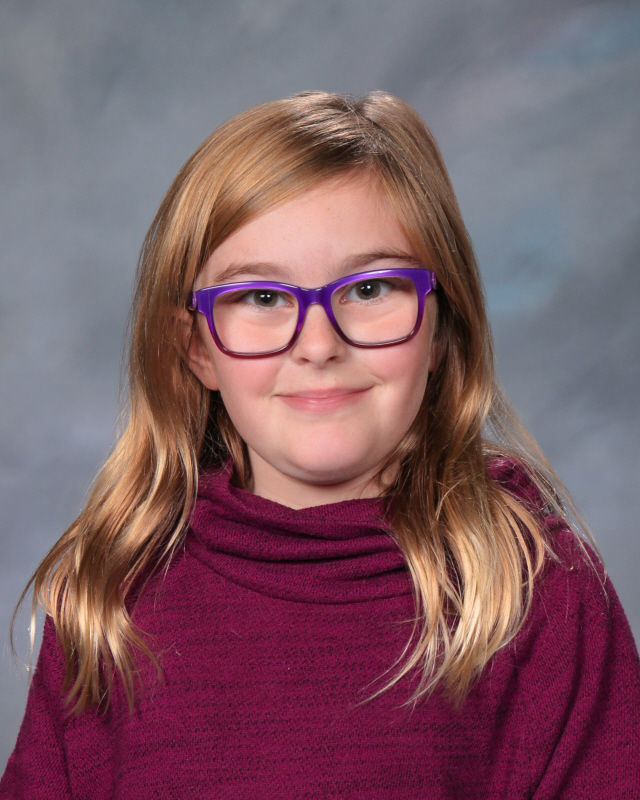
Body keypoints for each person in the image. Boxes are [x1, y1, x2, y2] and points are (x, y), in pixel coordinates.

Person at [1, 91, 639, 799]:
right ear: (197, 349)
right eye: (262, 298)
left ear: (441, 327)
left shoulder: (536, 589)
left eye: (369, 289)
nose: (318, 345)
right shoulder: (111, 600)